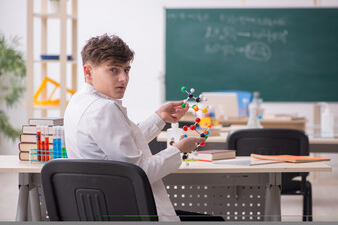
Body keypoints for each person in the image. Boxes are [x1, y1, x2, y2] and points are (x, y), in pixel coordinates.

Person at [64, 34, 224, 222]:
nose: (123, 78)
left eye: (126, 70)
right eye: (113, 70)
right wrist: (178, 149)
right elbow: (139, 173)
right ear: (88, 72)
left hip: (105, 210)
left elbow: (119, 145)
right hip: (129, 212)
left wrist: (158, 118)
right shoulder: (104, 108)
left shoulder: (79, 101)